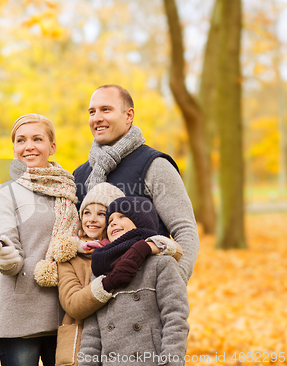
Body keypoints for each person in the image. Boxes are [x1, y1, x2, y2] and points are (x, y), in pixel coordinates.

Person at [73, 85, 199, 283]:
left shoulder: (155, 165)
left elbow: (185, 230)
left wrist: (172, 284)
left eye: (106, 109)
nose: (96, 118)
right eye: (92, 111)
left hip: (142, 297)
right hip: (90, 301)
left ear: (128, 115)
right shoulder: (80, 175)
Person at [54, 183, 182, 366]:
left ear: (140, 221)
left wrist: (171, 361)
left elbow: (175, 318)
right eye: (111, 218)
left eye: (121, 216)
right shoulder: (99, 269)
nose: (113, 221)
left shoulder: (160, 261)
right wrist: (109, 282)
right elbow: (92, 332)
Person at [0, 113, 79, 366]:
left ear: (52, 146)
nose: (29, 146)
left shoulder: (70, 190)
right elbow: (11, 261)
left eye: (37, 139)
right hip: (21, 315)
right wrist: (5, 257)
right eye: (21, 140)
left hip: (67, 314)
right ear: (14, 148)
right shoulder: (3, 194)